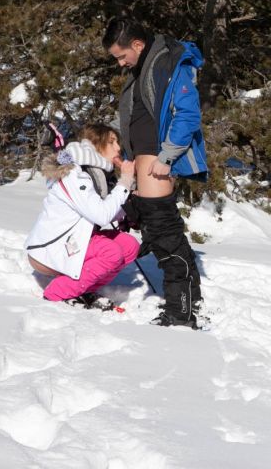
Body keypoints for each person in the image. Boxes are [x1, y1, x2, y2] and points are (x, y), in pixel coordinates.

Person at [103, 17, 209, 329]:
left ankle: (181, 311)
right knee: (159, 229)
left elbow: (188, 113)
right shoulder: (143, 68)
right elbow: (138, 114)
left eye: (122, 56)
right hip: (144, 157)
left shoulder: (170, 62)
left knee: (164, 233)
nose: (121, 63)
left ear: (137, 44)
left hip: (157, 158)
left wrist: (167, 156)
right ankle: (190, 297)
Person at [26, 125, 139, 307]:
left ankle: (83, 289)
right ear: (96, 144)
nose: (118, 148)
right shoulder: (74, 173)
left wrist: (130, 207)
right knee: (111, 252)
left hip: (75, 240)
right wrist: (125, 181)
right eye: (112, 142)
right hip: (51, 248)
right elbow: (101, 215)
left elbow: (101, 210)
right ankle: (58, 292)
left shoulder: (95, 173)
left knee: (129, 246)